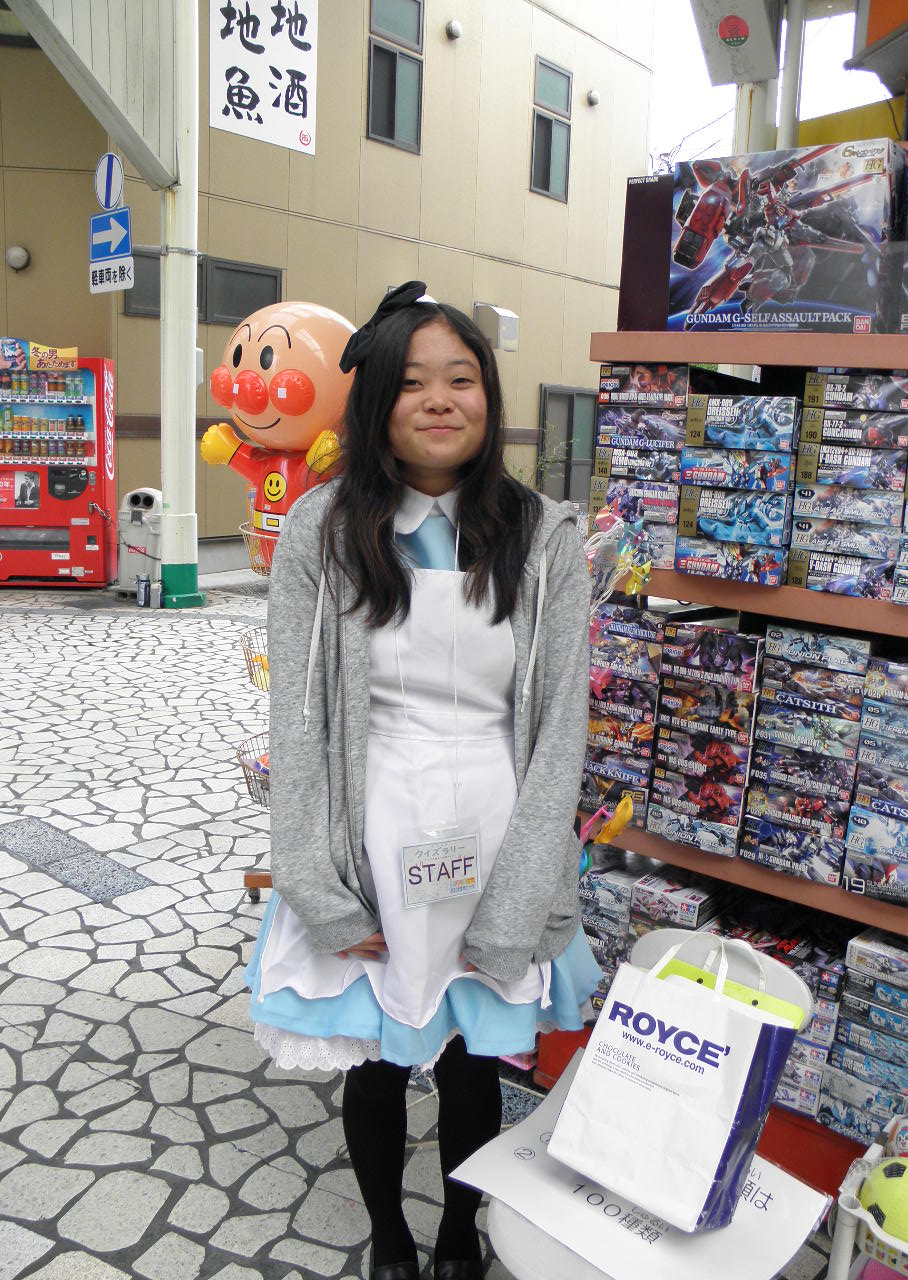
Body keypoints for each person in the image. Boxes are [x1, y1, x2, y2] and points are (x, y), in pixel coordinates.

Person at [245, 281, 600, 1280]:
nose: (440, 400)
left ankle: (455, 1237)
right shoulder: (321, 530)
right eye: (412, 382)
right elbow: (298, 721)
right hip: (370, 831)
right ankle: (392, 1238)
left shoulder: (544, 537)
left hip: (498, 832)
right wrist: (315, 881)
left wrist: (524, 894)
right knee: (376, 1058)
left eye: (462, 378)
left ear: (490, 395)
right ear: (375, 401)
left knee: (476, 1059)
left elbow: (560, 727)